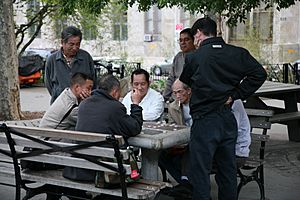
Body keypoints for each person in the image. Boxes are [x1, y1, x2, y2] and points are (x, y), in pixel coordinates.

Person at [179, 17, 267, 200]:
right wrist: (236, 94)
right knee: (227, 172)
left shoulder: (194, 57)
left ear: (198, 34)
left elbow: (184, 82)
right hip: (228, 120)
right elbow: (259, 74)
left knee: (200, 172)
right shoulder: (238, 53)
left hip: (204, 121)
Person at [63, 74, 144, 182]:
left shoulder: (84, 104)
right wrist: (136, 104)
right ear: (115, 91)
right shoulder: (115, 107)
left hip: (80, 168)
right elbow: (135, 128)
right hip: (104, 171)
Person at [45, 26, 96, 104]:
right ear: (62, 43)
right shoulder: (52, 60)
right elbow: (49, 84)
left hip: (83, 104)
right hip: (59, 105)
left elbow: (93, 81)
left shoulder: (86, 57)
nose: (75, 48)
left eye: (78, 44)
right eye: (71, 44)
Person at [163, 28, 196, 101]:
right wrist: (164, 97)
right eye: (180, 40)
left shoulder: (199, 57)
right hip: (176, 100)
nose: (183, 43)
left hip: (193, 100)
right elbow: (171, 79)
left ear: (194, 40)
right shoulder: (178, 57)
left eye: (186, 39)